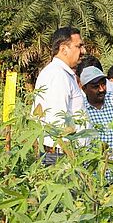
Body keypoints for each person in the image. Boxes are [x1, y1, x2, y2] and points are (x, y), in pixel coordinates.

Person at [32, 27, 87, 166]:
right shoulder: (58, 75)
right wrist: (70, 155)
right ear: (63, 49)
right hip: (60, 155)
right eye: (79, 46)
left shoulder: (63, 74)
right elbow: (57, 123)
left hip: (63, 153)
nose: (83, 51)